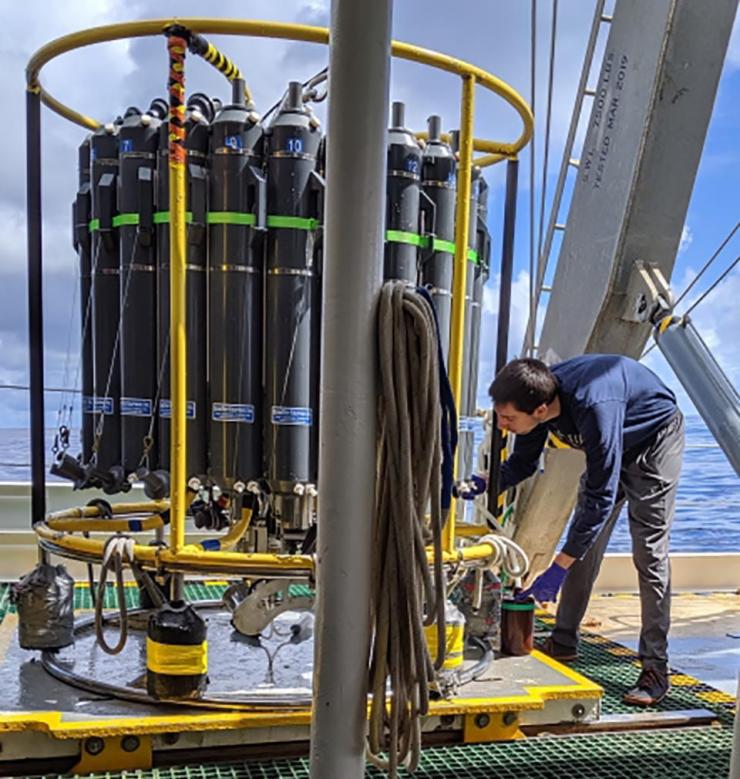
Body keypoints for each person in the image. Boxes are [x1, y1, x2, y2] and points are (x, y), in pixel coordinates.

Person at [459, 355, 684, 706]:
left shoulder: (594, 407)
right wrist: (484, 483)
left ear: (540, 409)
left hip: (653, 443)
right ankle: (564, 640)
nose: (502, 425)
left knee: (649, 553)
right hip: (609, 446)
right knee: (583, 545)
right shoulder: (537, 399)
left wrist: (558, 567)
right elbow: (523, 463)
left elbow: (601, 495)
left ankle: (656, 669)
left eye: (508, 418)